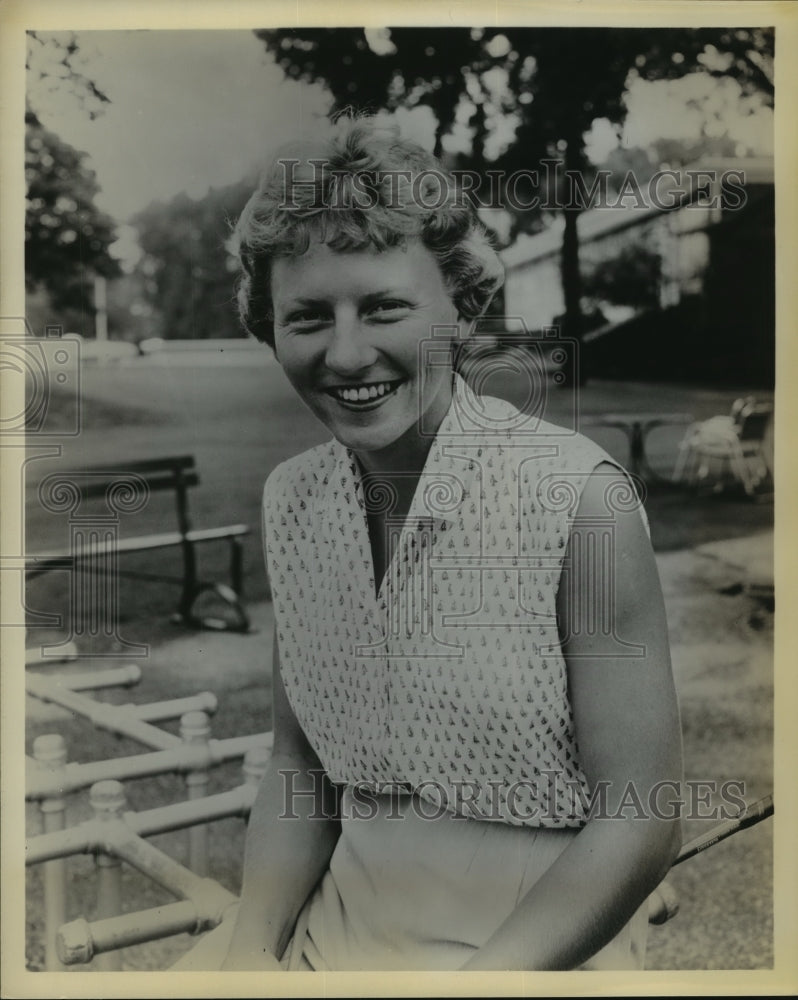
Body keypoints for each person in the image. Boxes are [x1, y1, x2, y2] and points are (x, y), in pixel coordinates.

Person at [174, 115, 683, 972]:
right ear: (269, 328)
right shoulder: (294, 500)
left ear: (462, 304)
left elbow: (639, 815)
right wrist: (251, 953)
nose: (346, 352)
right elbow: (302, 771)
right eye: (306, 317)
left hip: (531, 944)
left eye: (384, 307)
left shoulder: (577, 499)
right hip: (340, 924)